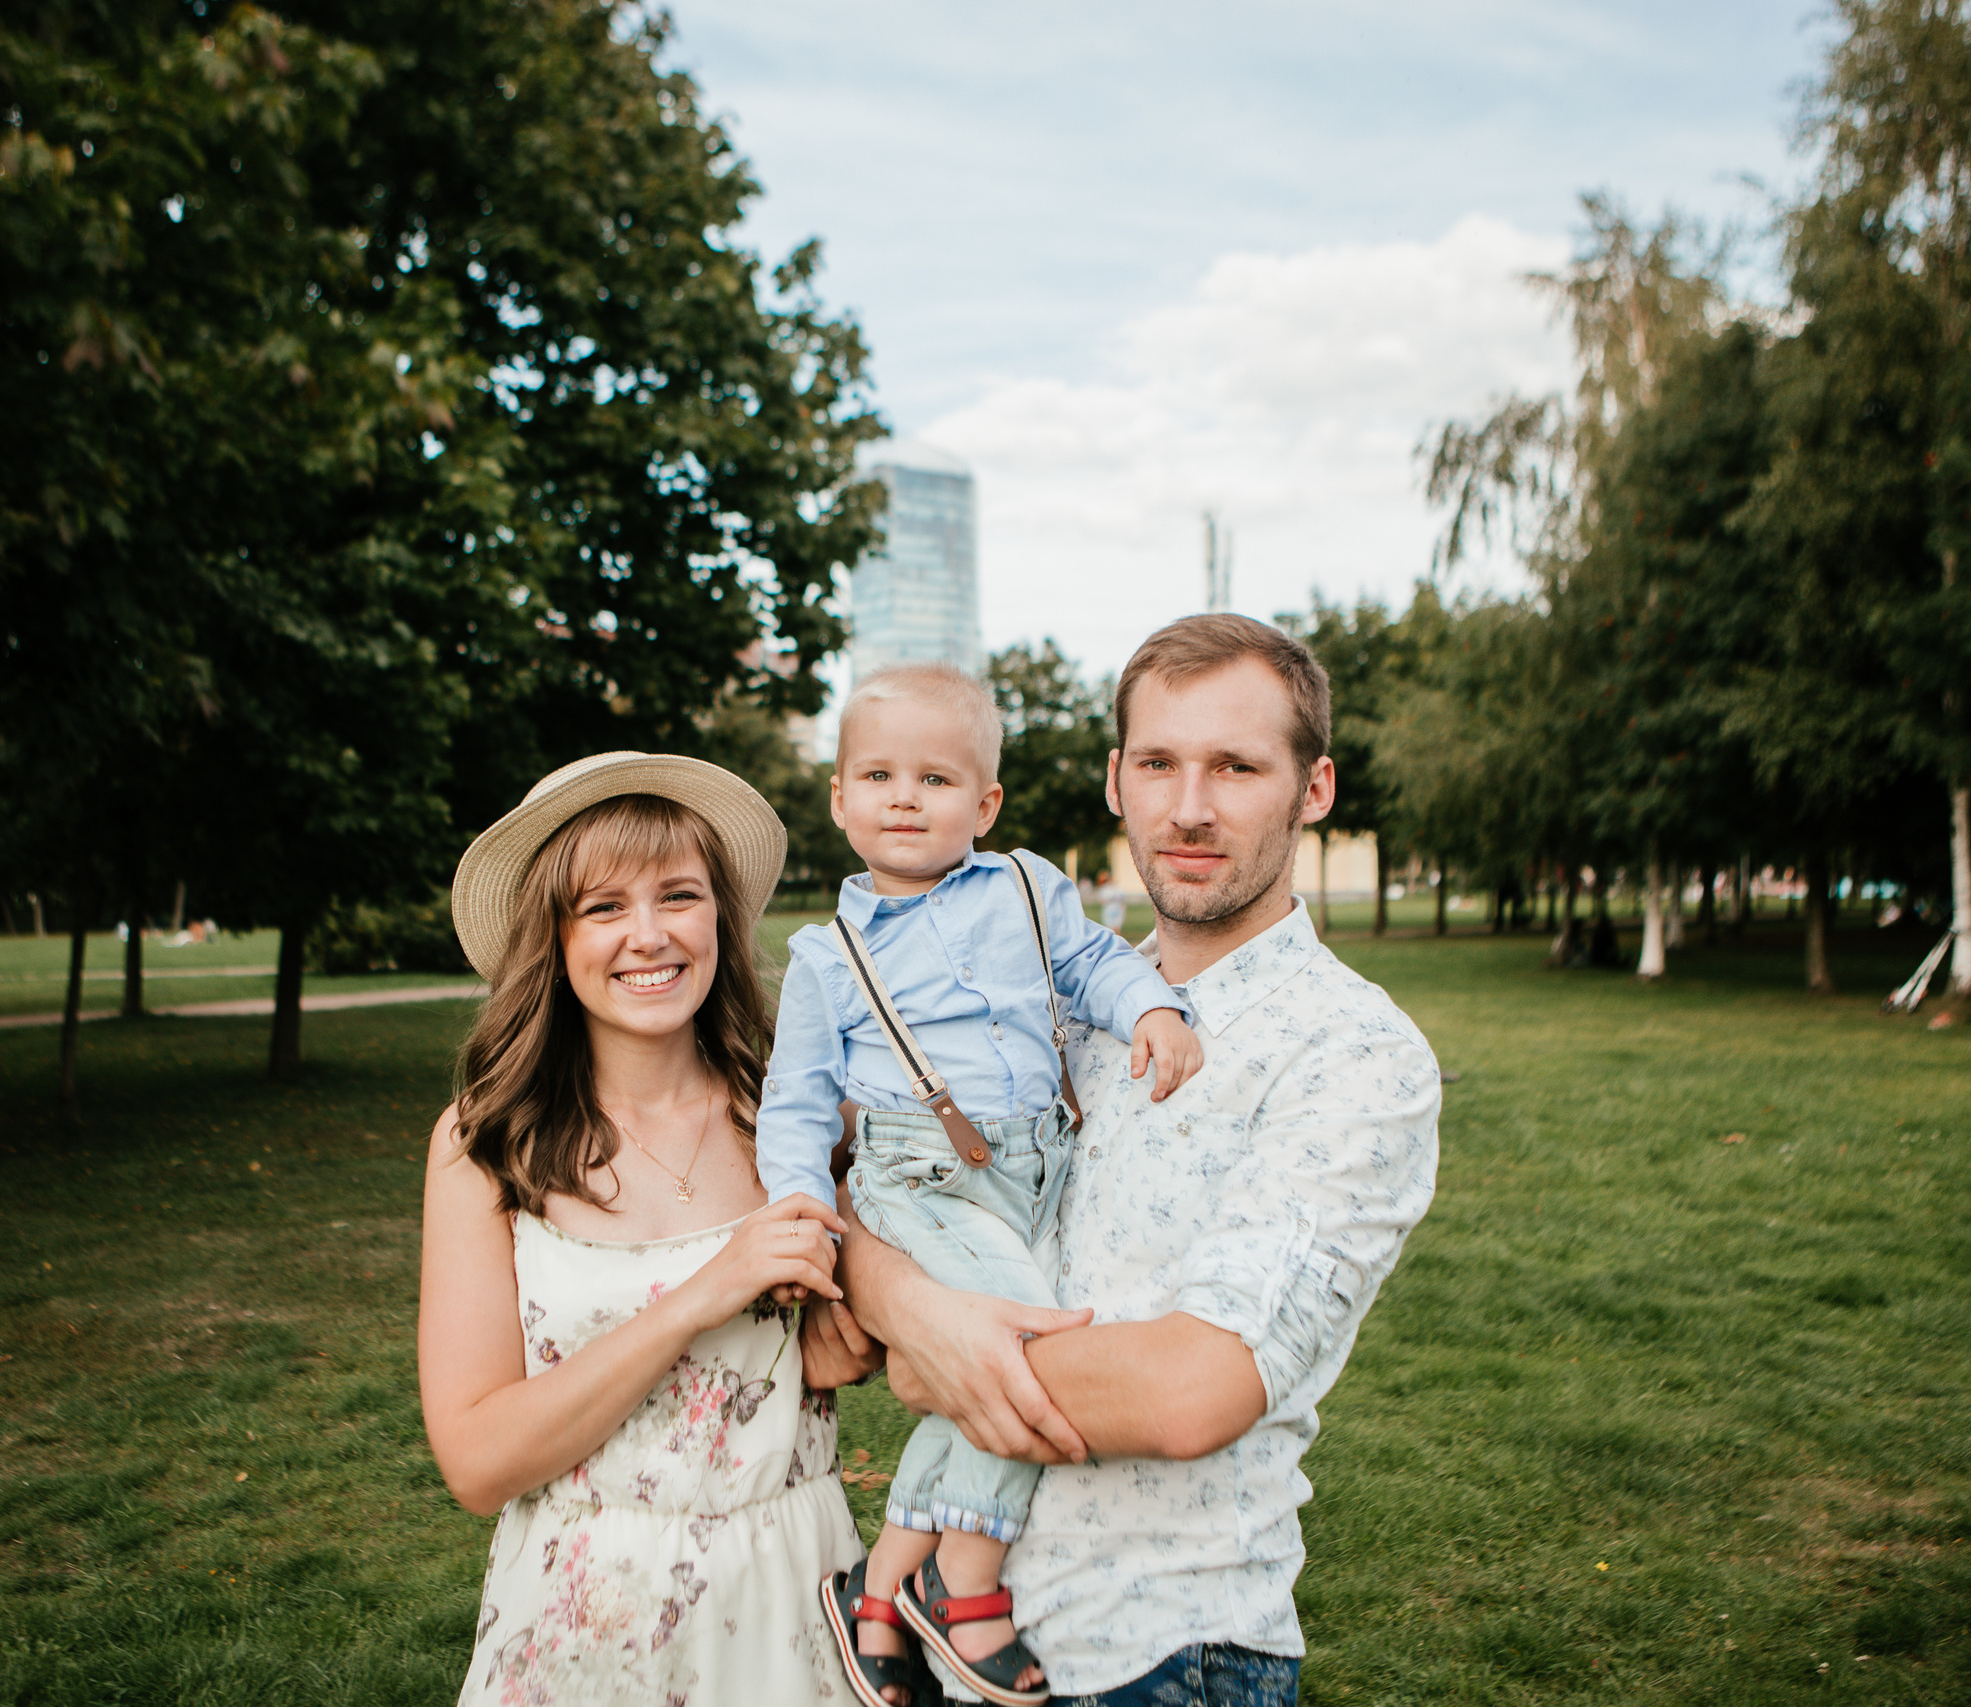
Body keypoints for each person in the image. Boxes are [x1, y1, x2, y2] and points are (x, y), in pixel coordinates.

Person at [806, 615, 1442, 1706]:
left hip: (1163, 1651)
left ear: (1315, 789)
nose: (1188, 807)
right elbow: (881, 1196)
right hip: (959, 1645)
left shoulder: (1355, 1051)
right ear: (1116, 780)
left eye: (1236, 767)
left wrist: (933, 1352)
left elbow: (1194, 1388)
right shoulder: (1054, 1011)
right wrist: (911, 1309)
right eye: (1158, 763)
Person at [753, 662, 1201, 1707]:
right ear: (839, 799)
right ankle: (965, 1586)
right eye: (877, 776)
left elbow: (1091, 964)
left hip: (1035, 1170)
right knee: (1027, 1346)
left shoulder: (1025, 887)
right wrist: (799, 1208)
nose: (904, 798)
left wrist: (1152, 1011)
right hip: (921, 1178)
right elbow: (797, 1101)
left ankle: (874, 1589)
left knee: (971, 1381)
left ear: (985, 803)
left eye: (935, 780)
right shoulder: (829, 956)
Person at [419, 752, 865, 1706]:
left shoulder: (801, 1111)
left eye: (679, 895)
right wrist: (702, 1295)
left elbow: (862, 1333)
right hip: (584, 1619)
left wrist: (854, 1329)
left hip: (792, 1591)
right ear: (555, 934)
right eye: (605, 905)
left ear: (720, 917)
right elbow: (476, 1461)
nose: (651, 934)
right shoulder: (485, 1143)